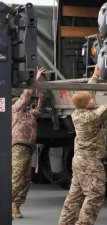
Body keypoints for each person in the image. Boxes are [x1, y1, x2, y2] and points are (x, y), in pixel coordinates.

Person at [58, 65, 107, 225]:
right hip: (90, 163)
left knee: (75, 195)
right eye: (91, 100)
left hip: (80, 161)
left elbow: (88, 94)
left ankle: (65, 223)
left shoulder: (78, 112)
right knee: (95, 195)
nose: (93, 99)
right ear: (86, 104)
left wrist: (95, 76)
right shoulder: (91, 117)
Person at [12, 67, 46, 219]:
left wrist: (41, 97)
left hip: (28, 148)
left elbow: (40, 110)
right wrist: (35, 80)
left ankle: (16, 205)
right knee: (17, 176)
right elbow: (25, 97)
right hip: (18, 146)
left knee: (26, 179)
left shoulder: (29, 114)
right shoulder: (14, 110)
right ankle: (9, 202)